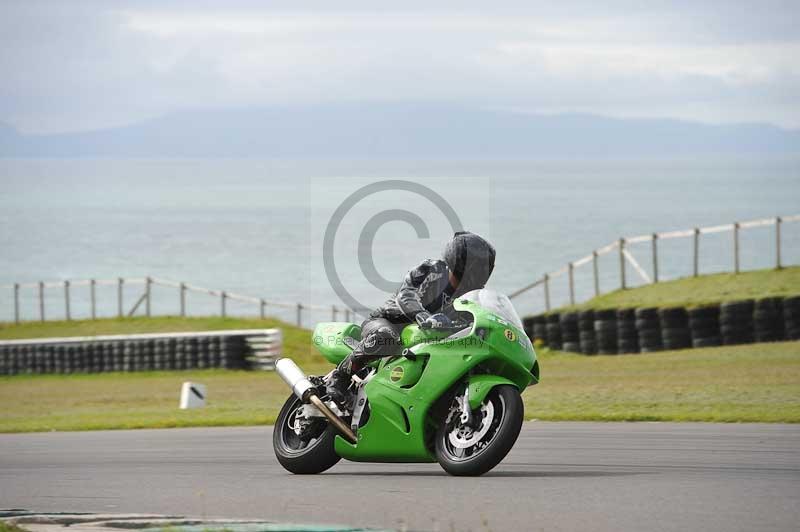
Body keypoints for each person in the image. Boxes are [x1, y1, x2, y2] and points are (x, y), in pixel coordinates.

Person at [326, 231, 496, 404]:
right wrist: (422, 315)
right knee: (387, 337)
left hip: (425, 340)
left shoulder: (471, 296)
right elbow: (406, 294)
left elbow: (477, 318)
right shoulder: (432, 269)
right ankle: (340, 376)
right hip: (389, 321)